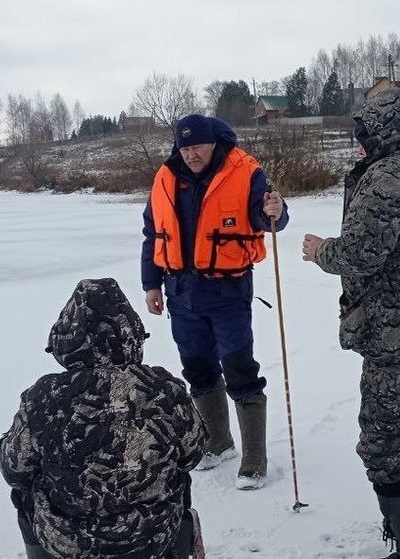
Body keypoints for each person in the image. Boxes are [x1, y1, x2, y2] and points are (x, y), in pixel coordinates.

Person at [301, 88, 400, 559]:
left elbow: (360, 255)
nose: (359, 143)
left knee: (386, 443)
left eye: (364, 134)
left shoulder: (388, 178)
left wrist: (320, 251)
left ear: (383, 134)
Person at [0, 278, 207, 559]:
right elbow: (193, 454)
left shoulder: (44, 395)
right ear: (131, 333)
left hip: (68, 544)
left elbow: (14, 469)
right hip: (152, 537)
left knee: (24, 493)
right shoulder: (163, 388)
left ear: (67, 337)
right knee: (179, 476)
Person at [141, 114, 289, 490]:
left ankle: (254, 457)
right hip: (180, 292)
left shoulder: (245, 171)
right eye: (185, 147)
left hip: (228, 291)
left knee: (240, 368)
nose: (191, 154)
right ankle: (218, 442)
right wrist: (151, 284)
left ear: (213, 144)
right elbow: (152, 234)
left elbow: (267, 214)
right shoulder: (164, 178)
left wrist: (277, 211)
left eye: (198, 146)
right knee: (198, 369)